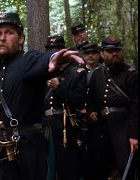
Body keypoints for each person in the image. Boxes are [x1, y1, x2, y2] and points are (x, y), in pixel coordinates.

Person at [0, 12, 84, 180]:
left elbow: (41, 60)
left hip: (29, 153)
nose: (2, 38)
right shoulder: (3, 71)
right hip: (3, 152)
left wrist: (52, 58)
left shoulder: (27, 60)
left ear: (21, 39)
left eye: (9, 32)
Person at [86, 35, 138, 180]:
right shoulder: (97, 74)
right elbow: (91, 99)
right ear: (102, 53)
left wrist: (134, 135)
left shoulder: (131, 74)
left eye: (117, 50)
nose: (114, 53)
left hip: (124, 129)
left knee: (124, 167)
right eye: (110, 51)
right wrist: (91, 111)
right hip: (102, 129)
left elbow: (136, 106)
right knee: (102, 167)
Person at [43, 35, 87, 180]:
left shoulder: (77, 72)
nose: (53, 53)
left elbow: (78, 100)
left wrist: (58, 87)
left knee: (67, 168)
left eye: (56, 50)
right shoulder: (45, 71)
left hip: (66, 127)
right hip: (45, 127)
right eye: (50, 50)